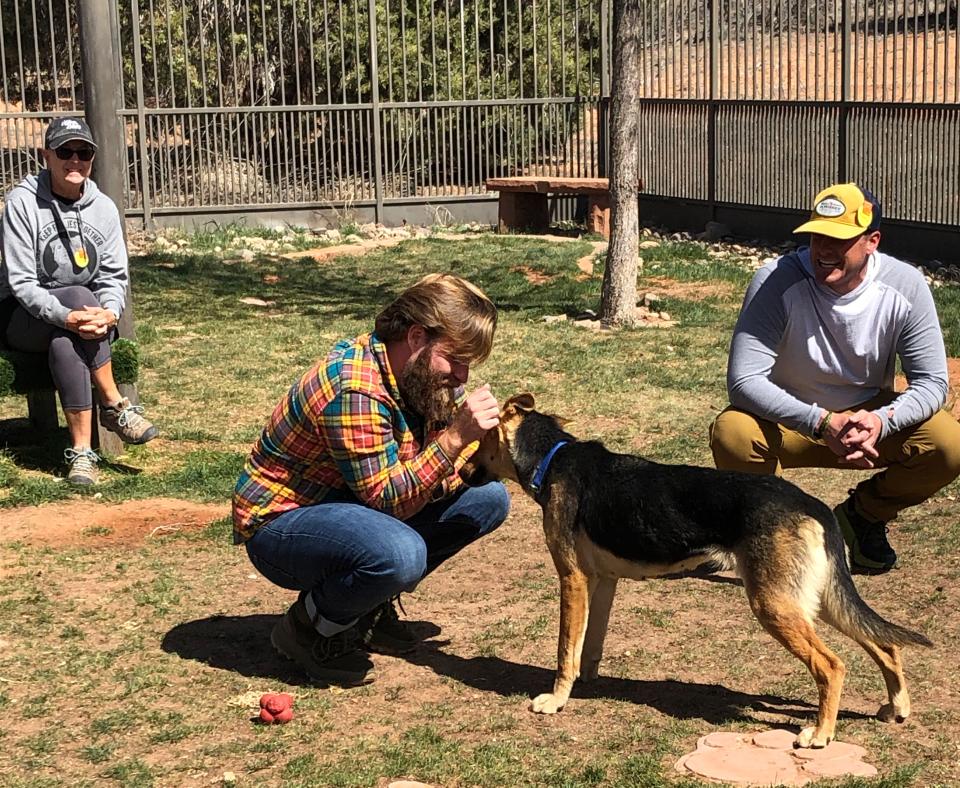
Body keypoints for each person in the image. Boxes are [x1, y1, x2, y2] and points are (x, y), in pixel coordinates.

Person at [233, 273, 510, 686]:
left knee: (487, 498)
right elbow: (390, 500)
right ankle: (309, 628)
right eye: (456, 359)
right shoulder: (355, 388)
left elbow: (424, 475)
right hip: (281, 525)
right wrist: (455, 439)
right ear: (417, 337)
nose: (463, 376)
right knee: (400, 553)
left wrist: (462, 456)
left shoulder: (420, 376)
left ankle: (366, 608)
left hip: (349, 506)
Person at [710, 182, 960, 574]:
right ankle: (782, 533)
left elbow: (931, 382)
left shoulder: (905, 286)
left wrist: (881, 420)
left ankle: (860, 518)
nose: (823, 250)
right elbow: (744, 380)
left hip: (866, 424)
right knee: (734, 433)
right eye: (816, 237)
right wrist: (821, 422)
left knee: (949, 445)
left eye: (838, 240)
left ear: (871, 241)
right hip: (791, 420)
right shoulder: (776, 281)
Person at [0, 116, 158, 486]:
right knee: (77, 299)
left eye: (83, 152)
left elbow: (114, 277)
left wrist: (109, 313)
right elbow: (22, 283)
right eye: (65, 151)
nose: (75, 160)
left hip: (75, 322)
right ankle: (114, 404)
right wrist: (69, 314)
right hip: (18, 316)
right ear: (46, 156)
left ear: (92, 158)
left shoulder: (103, 208)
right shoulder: (21, 203)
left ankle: (82, 455)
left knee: (65, 339)